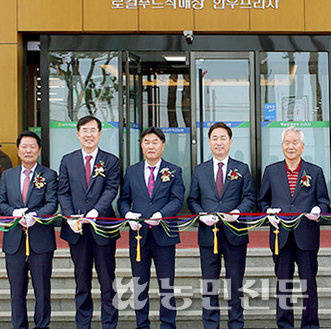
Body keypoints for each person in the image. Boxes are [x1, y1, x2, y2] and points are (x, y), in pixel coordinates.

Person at [259, 126, 329, 329]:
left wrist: (318, 209)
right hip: (280, 237)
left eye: (295, 142)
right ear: (282, 146)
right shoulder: (271, 171)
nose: (291, 146)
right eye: (287, 142)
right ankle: (284, 324)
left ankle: (310, 325)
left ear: (302, 146)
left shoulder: (314, 172)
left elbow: (324, 202)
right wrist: (268, 213)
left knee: (309, 284)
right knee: (283, 284)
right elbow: (262, 201)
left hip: (306, 236)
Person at [187, 122, 255, 329]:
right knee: (209, 283)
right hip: (209, 235)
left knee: (235, 283)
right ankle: (210, 323)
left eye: (223, 138)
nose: (219, 142)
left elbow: (250, 198)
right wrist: (201, 215)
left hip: (235, 234)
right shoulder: (200, 170)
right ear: (209, 142)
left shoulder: (241, 169)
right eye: (215, 138)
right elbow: (192, 200)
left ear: (230, 142)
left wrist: (237, 212)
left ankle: (236, 323)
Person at [58, 115, 121, 329]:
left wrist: (95, 211)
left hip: (102, 228)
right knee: (81, 281)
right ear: (78, 134)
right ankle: (83, 323)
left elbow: (111, 189)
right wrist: (69, 215)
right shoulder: (68, 160)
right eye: (84, 130)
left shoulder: (111, 161)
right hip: (77, 230)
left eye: (93, 130)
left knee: (107, 280)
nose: (89, 135)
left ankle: (109, 323)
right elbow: (63, 192)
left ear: (100, 134)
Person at [118, 127, 184, 329]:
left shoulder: (174, 171)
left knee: (166, 284)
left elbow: (177, 199)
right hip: (139, 237)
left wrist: (161, 215)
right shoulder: (132, 171)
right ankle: (142, 324)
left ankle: (167, 324)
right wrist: (127, 215)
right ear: (141, 145)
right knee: (140, 284)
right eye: (146, 142)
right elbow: (124, 199)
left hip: (164, 234)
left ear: (163, 145)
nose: (151, 146)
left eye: (155, 142)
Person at [0, 131, 57, 329]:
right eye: (24, 146)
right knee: (17, 290)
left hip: (40, 240)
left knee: (42, 289)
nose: (28, 150)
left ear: (39, 150)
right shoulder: (8, 175)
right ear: (18, 150)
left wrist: (35, 216)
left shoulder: (49, 175)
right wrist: (13, 212)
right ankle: (19, 325)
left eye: (32, 147)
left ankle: (42, 325)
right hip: (14, 241)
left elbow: (52, 203)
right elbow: (0, 202)